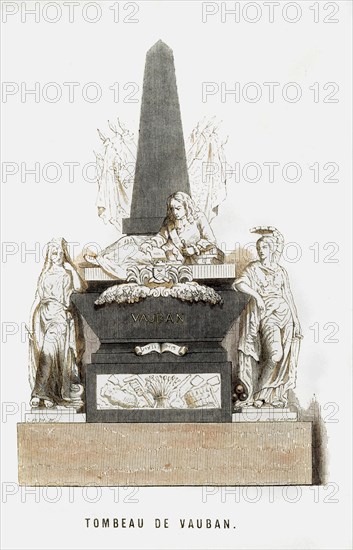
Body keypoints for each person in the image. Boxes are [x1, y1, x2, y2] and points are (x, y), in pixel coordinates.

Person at [233, 227, 302, 408]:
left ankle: (267, 396)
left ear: (271, 249)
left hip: (285, 315)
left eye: (264, 247)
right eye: (259, 248)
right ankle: (259, 393)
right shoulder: (253, 269)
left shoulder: (280, 271)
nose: (260, 251)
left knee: (283, 357)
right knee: (275, 354)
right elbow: (239, 284)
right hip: (267, 316)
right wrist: (256, 296)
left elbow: (288, 295)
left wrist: (296, 321)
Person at [84, 191, 218, 278]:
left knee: (133, 251)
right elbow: (161, 237)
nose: (175, 212)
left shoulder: (199, 217)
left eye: (178, 208)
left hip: (171, 256)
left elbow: (211, 240)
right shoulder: (170, 220)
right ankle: (101, 255)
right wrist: (149, 244)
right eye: (172, 208)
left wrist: (194, 248)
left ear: (186, 206)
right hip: (161, 246)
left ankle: (103, 261)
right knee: (129, 240)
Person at [28, 238, 85, 408]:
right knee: (44, 354)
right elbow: (37, 298)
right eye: (55, 253)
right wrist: (29, 321)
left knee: (49, 351)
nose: (58, 256)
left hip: (60, 316)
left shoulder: (67, 274)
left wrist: (73, 270)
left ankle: (40, 392)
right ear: (49, 255)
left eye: (61, 253)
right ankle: (48, 395)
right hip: (42, 317)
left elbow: (78, 290)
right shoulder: (44, 274)